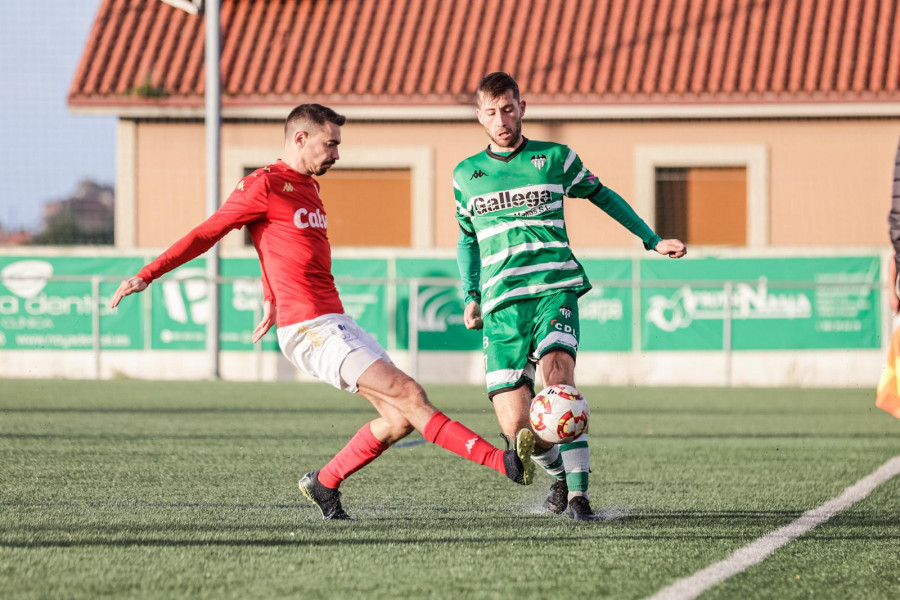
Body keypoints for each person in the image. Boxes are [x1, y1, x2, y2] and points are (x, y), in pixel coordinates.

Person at [110, 103, 535, 521]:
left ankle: (325, 483)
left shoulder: (310, 187)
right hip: (309, 327)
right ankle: (504, 463)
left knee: (398, 419)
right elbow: (208, 232)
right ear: (301, 138)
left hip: (334, 319)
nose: (336, 154)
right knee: (410, 395)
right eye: (330, 144)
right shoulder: (263, 184)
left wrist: (269, 295)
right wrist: (149, 273)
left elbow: (275, 245)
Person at [453, 73, 687, 521]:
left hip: (554, 289)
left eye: (507, 108)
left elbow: (603, 196)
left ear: (522, 107)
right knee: (518, 428)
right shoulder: (465, 175)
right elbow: (467, 238)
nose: (500, 120)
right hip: (501, 304)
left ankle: (580, 498)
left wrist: (651, 239)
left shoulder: (554, 158)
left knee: (559, 383)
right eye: (490, 112)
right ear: (479, 116)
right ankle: (560, 477)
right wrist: (470, 294)